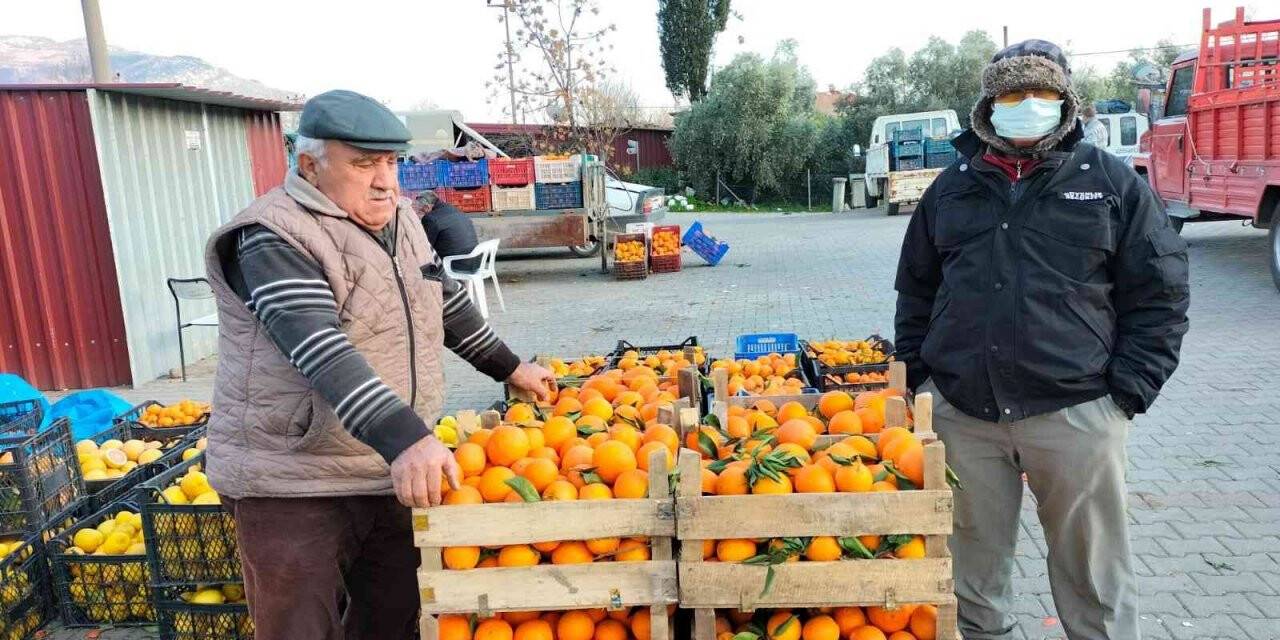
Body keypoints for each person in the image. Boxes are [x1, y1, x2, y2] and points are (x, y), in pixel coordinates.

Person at [202, 89, 554, 640]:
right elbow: (320, 348)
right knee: (300, 628)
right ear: (310, 166)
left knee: (393, 617)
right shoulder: (272, 236)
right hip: (293, 478)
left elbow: (444, 302)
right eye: (364, 164)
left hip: (383, 470)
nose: (386, 181)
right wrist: (407, 439)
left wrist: (510, 367)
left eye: (391, 162)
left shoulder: (402, 220)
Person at [893, 40, 1189, 639]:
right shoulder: (950, 189)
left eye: (1041, 94)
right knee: (967, 577)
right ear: (988, 106)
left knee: (1095, 579)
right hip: (965, 417)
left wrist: (1124, 394)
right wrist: (922, 380)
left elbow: (1160, 294)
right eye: (1011, 94)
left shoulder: (1110, 185)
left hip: (1076, 412)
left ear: (1065, 101)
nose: (1027, 104)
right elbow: (916, 292)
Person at [414, 190, 481, 273]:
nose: (420, 214)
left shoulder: (430, 218)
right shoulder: (451, 208)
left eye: (420, 211)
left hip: (457, 264)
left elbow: (425, 247)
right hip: (475, 261)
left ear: (427, 207)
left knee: (419, 263)